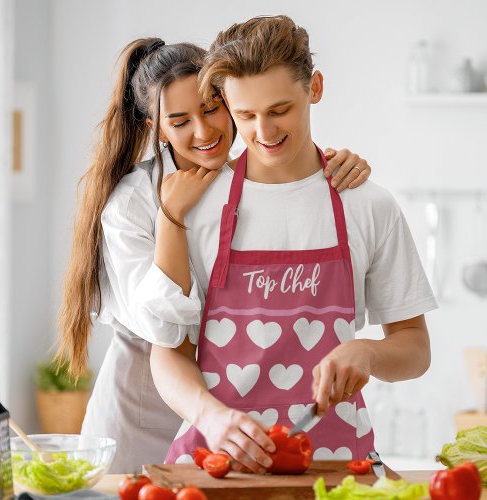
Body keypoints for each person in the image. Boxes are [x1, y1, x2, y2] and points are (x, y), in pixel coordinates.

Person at [55, 36, 372, 473]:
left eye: (211, 108)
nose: (203, 132)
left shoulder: (246, 182)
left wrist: (335, 166)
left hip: (229, 411)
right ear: (155, 127)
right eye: (180, 121)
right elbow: (160, 328)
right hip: (143, 410)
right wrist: (171, 215)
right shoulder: (134, 203)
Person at [149, 15, 437, 474]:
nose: (264, 132)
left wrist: (367, 351)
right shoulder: (198, 207)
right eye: (245, 115)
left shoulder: (368, 205)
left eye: (280, 109)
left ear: (315, 88)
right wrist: (210, 416)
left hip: (337, 465)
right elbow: (167, 350)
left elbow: (415, 348)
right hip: (216, 462)